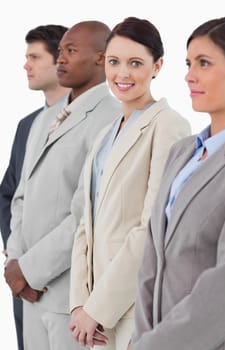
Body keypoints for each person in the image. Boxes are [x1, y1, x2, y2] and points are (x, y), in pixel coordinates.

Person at [69, 17, 191, 350]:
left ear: (158, 66)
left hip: (132, 307)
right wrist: (80, 304)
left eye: (135, 63)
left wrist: (97, 308)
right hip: (94, 318)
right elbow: (85, 224)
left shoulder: (169, 127)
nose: (122, 74)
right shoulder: (104, 136)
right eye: (114, 62)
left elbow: (151, 228)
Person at [4, 20, 122, 350]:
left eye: (71, 51)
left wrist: (29, 269)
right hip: (29, 295)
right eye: (59, 52)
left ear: (101, 58)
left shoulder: (113, 118)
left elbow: (90, 214)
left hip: (72, 300)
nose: (61, 59)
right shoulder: (43, 119)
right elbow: (19, 197)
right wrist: (15, 264)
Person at [128, 16, 225, 350]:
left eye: (204, 63)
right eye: (189, 63)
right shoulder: (182, 152)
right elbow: (151, 260)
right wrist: (142, 338)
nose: (189, 75)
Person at [0, 24, 69, 350]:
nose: (26, 65)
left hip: (64, 276)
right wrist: (17, 254)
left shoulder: (101, 120)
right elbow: (9, 193)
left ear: (61, 61)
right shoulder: (26, 125)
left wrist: (36, 263)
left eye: (34, 57)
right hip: (22, 275)